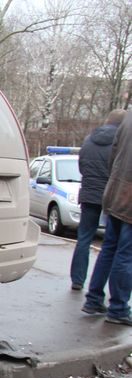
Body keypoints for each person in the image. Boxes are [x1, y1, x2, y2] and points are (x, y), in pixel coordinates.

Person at [83, 108, 132, 325]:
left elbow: (114, 154)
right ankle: (118, 309)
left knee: (110, 249)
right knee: (125, 253)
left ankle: (93, 299)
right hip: (128, 196)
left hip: (114, 190)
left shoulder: (129, 117)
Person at [71, 109, 126, 290]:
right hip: (111, 197)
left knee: (84, 238)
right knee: (112, 244)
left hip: (88, 193)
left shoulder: (88, 140)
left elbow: (81, 166)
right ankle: (107, 286)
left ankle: (78, 280)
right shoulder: (121, 142)